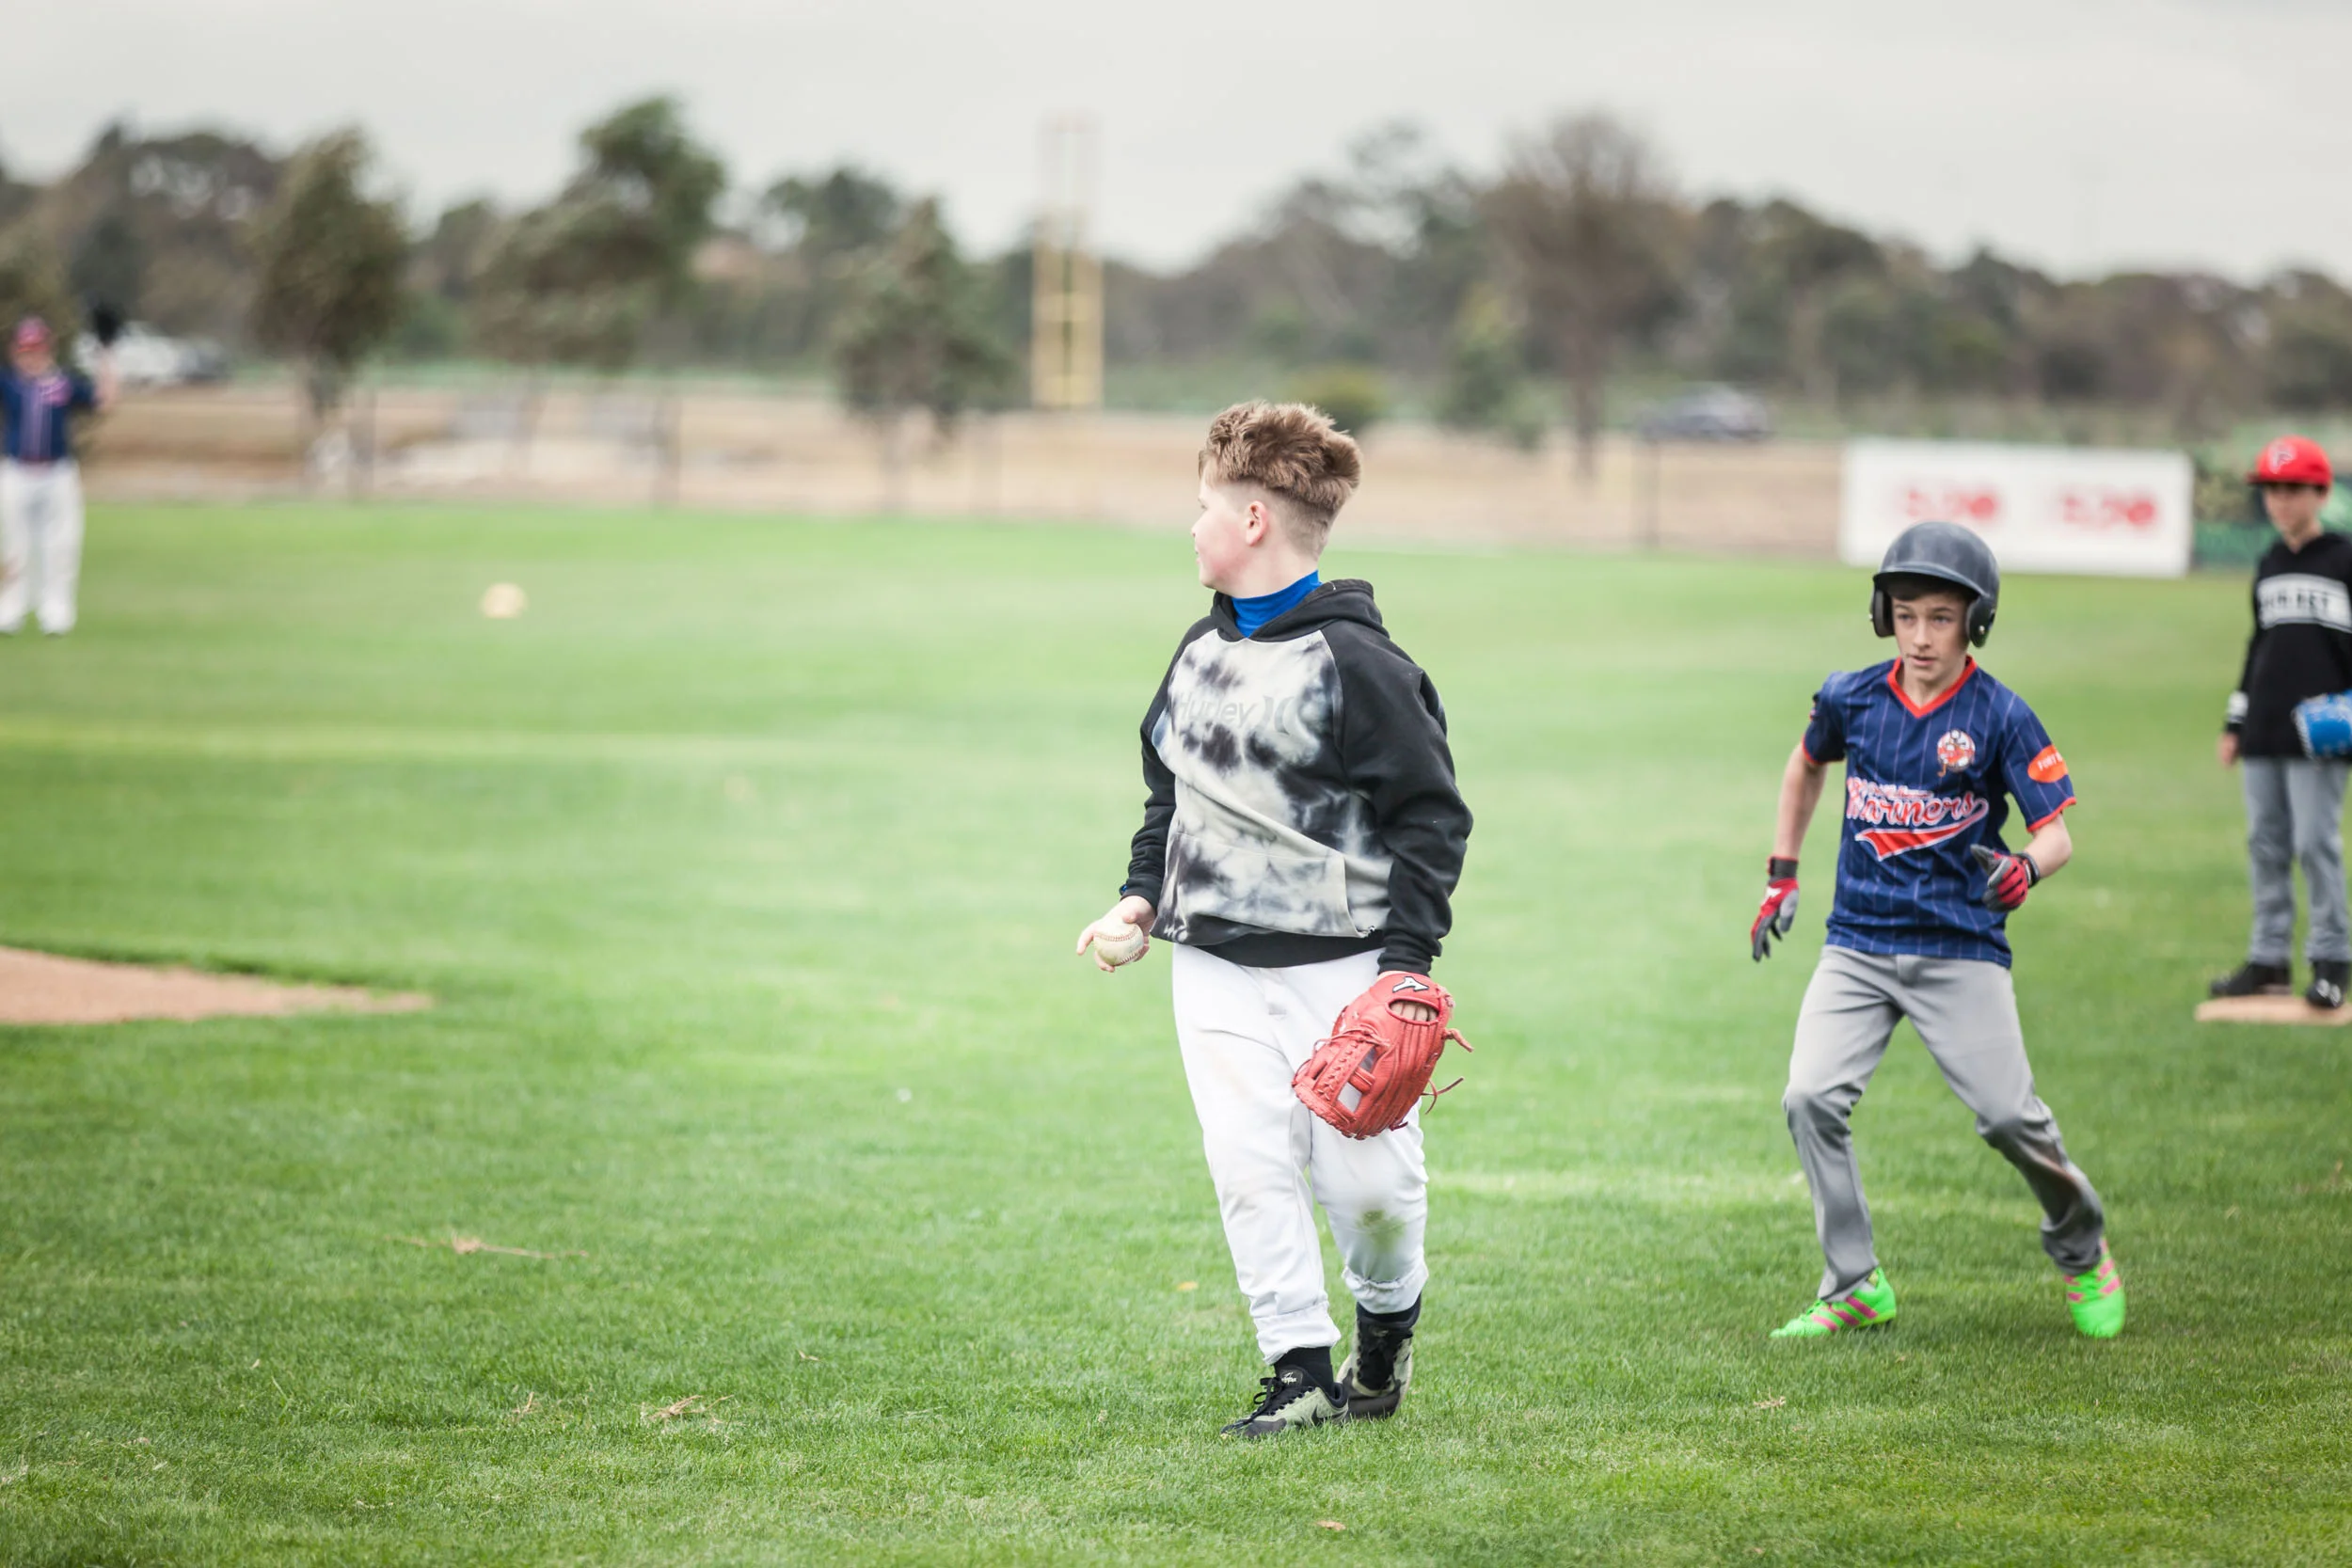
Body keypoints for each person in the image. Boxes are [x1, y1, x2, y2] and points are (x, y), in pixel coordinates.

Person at [1074, 402, 1473, 1436]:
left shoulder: (1360, 664)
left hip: (1346, 969)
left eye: (1204, 506)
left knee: (1371, 1190)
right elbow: (1171, 795)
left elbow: (1431, 819)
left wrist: (1405, 965)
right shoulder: (1196, 650)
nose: (1192, 525)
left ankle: (1385, 1326)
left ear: (1253, 520)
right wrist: (1140, 894)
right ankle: (1297, 1368)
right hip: (1211, 963)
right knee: (1248, 1165)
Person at [1750, 520, 2124, 1340]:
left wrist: (2025, 868)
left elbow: (2057, 832)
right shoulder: (1850, 696)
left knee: (2010, 1120)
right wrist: (1783, 872)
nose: (1921, 636)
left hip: (1960, 947)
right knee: (1809, 1097)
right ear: (1884, 615)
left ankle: (2081, 1245)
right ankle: (1855, 1284)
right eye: (1907, 615)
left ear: (1974, 622)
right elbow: (1806, 763)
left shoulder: (2001, 714)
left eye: (1942, 618)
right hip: (1857, 945)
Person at [2210, 436, 2352, 1010]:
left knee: (2315, 842)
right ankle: (2269, 959)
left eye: (2292, 488)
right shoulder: (2269, 561)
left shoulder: (2343, 558)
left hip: (2323, 731)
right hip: (2265, 727)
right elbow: (2258, 647)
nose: (2280, 500)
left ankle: (2332, 960)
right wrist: (2235, 722)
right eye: (2271, 489)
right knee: (2265, 844)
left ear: (2321, 493)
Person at [0, 314, 116, 637]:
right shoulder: (9, 383)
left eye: (36, 349)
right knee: (15, 545)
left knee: (60, 546)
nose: (31, 357)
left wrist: (107, 353)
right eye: (25, 350)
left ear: (48, 350)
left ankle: (56, 613)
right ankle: (10, 610)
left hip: (57, 472)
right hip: (17, 471)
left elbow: (104, 401)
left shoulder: (64, 384)